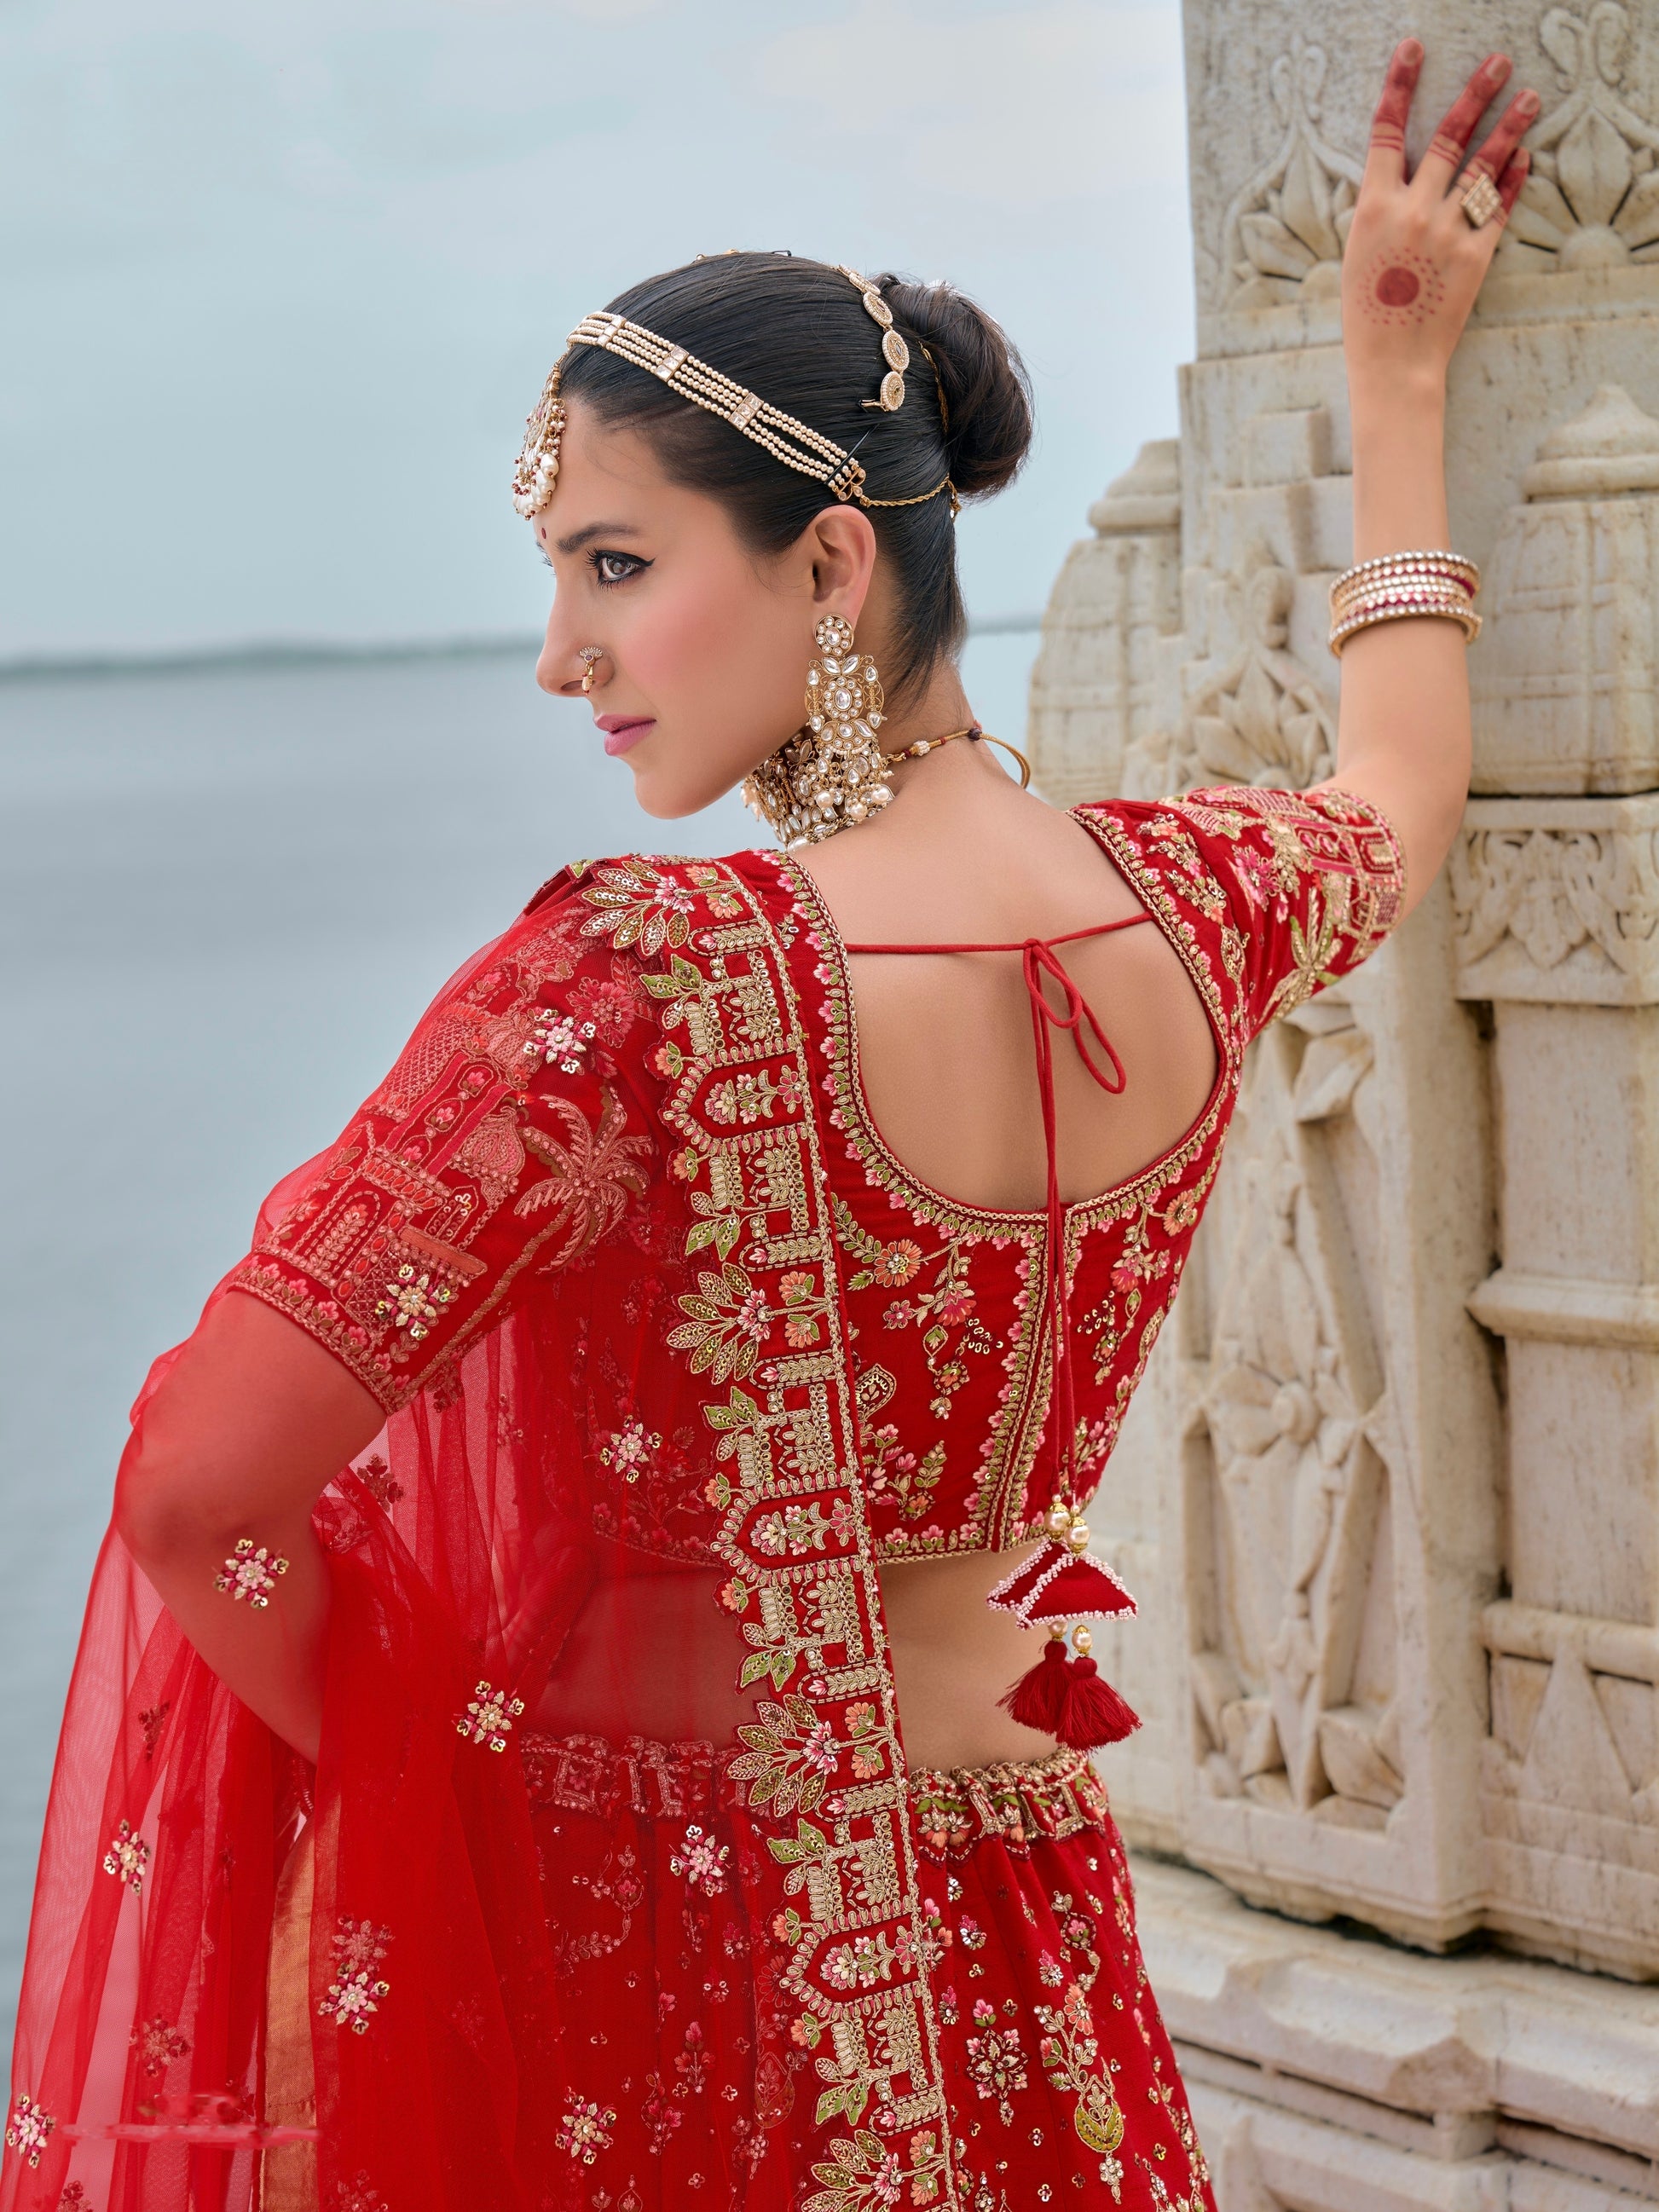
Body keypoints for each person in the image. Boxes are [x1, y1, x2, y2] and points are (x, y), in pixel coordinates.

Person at [3, 39, 1535, 2212]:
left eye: (615, 564)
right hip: (1021, 1943)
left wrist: (435, 1794)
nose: (564, 653)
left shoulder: (630, 991)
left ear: (830, 563)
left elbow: (191, 1494)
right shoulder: (1190, 909)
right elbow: (1401, 788)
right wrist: (1398, 399)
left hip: (667, 1967)